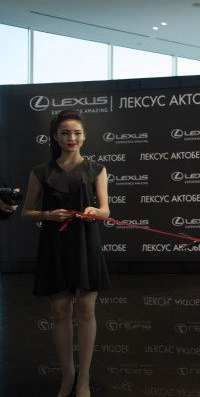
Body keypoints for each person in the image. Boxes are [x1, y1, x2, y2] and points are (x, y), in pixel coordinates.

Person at [22, 109, 111, 397]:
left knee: (86, 309)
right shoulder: (41, 172)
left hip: (85, 241)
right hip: (54, 245)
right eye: (65, 133)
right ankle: (67, 375)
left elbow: (106, 210)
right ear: (55, 136)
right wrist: (48, 215)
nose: (72, 138)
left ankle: (84, 378)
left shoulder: (96, 169)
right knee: (60, 312)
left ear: (84, 136)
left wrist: (95, 212)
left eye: (77, 133)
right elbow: (26, 213)